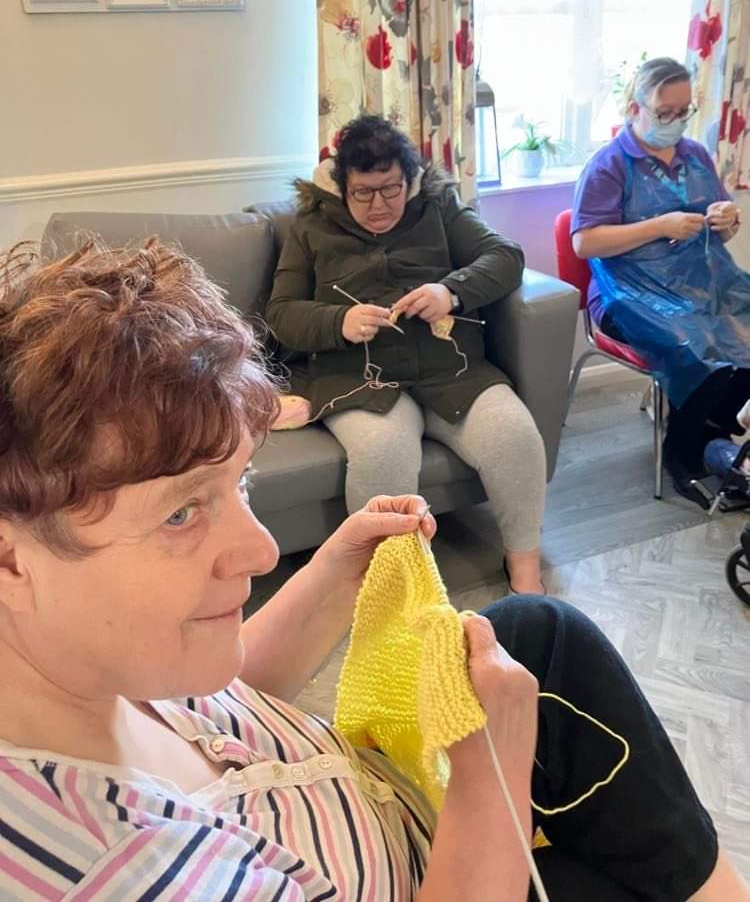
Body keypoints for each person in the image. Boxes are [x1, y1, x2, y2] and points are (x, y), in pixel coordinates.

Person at [0, 238, 746, 902]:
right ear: (10, 558)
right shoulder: (119, 872)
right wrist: (489, 770)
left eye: (241, 482)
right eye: (180, 513)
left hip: (386, 805)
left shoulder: (93, 658)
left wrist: (336, 572)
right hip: (442, 867)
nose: (263, 552)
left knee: (537, 630)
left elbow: (216, 705)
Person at [266, 114, 547, 594]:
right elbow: (280, 313)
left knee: (515, 436)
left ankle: (524, 569)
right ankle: (390, 591)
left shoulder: (438, 205)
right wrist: (339, 321)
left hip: (452, 371)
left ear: (409, 179)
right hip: (360, 378)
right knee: (383, 455)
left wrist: (451, 291)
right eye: (363, 193)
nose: (378, 205)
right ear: (342, 186)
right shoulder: (309, 224)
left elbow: (506, 257)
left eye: (391, 189)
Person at [571, 57, 750, 500]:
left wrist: (728, 219)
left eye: (683, 111)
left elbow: (721, 233)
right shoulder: (610, 165)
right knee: (699, 350)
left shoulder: (696, 156)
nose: (675, 121)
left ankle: (713, 432)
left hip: (700, 283)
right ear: (636, 108)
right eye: (664, 112)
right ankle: (681, 454)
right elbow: (585, 243)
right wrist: (659, 226)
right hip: (628, 292)